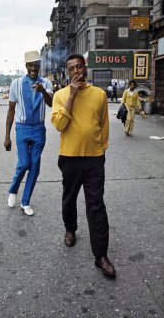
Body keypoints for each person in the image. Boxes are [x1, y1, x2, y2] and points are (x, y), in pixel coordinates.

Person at [51, 53, 116, 278]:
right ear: (67, 72)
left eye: (79, 67)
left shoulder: (99, 94)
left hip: (95, 158)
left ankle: (101, 255)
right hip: (69, 158)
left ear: (85, 68)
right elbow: (59, 124)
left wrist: (102, 148)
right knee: (69, 199)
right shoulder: (59, 95)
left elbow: (104, 124)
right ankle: (70, 229)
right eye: (71, 69)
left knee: (96, 204)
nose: (76, 71)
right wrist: (71, 95)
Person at [4, 51, 53, 216]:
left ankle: (25, 202)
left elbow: (51, 103)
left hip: (39, 129)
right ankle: (13, 190)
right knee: (24, 163)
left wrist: (43, 91)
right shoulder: (16, 84)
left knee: (35, 166)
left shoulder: (46, 82)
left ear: (40, 65)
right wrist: (7, 136)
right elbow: (11, 110)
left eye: (36, 64)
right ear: (26, 66)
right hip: (22, 128)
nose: (33, 68)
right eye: (30, 65)